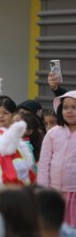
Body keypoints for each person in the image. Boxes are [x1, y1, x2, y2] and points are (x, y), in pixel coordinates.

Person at [38, 90, 76, 228]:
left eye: (74, 107)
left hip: (74, 192)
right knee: (54, 227)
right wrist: (43, 188)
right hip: (53, 192)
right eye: (66, 107)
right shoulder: (53, 133)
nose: (69, 111)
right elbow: (43, 163)